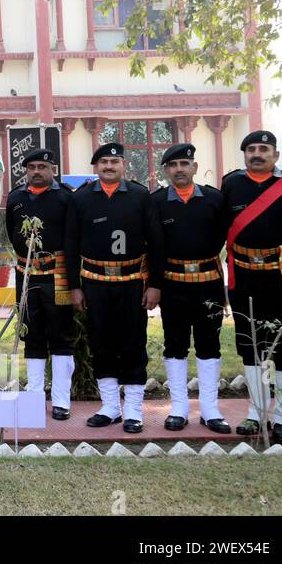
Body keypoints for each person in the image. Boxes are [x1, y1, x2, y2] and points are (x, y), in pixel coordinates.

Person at [221, 130, 282, 442]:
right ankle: (256, 413)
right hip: (246, 277)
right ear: (245, 155)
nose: (257, 153)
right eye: (251, 149)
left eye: (264, 148)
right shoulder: (232, 183)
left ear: (275, 155)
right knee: (252, 345)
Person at [65, 142, 162, 433]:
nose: (109, 166)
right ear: (95, 167)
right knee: (101, 343)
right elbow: (70, 245)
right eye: (104, 162)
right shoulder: (81, 198)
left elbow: (157, 243)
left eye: (114, 161)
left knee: (133, 344)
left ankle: (133, 410)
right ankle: (109, 407)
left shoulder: (141, 196)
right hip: (95, 284)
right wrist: (74, 287)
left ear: (124, 166)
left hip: (133, 283)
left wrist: (155, 284)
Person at [147, 144, 232, 433]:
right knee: (176, 344)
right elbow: (153, 247)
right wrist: (154, 285)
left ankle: (210, 409)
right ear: (166, 170)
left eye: (185, 163)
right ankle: (179, 409)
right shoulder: (156, 202)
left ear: (194, 167)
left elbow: (225, 236)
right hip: (172, 284)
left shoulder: (214, 199)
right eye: (173, 165)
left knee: (209, 344)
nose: (179, 169)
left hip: (208, 281)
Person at [5, 148, 75, 420]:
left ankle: (61, 400)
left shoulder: (66, 198)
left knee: (61, 337)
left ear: (52, 170)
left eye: (42, 166)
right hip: (27, 275)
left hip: (58, 277)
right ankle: (34, 397)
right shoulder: (16, 198)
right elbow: (13, 235)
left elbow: (72, 238)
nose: (36, 171)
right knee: (32, 335)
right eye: (31, 166)